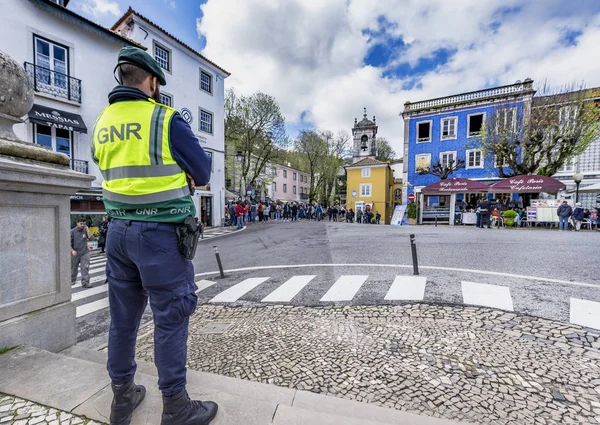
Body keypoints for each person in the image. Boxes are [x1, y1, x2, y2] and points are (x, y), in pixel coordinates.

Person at [93, 46, 217, 425]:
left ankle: (122, 398)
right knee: (171, 315)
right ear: (151, 81)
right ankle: (176, 407)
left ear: (121, 79)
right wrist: (185, 175)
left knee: (123, 320)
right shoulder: (164, 119)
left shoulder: (101, 123)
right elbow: (203, 170)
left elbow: (116, 170)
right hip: (160, 236)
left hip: (117, 233)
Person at [71, 217, 93, 288]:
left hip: (85, 252)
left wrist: (87, 230)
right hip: (75, 253)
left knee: (85, 268)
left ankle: (85, 283)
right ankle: (72, 280)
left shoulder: (85, 230)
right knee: (73, 268)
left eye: (84, 224)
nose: (83, 225)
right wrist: (72, 251)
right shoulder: (72, 231)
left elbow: (92, 238)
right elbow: (68, 243)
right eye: (81, 223)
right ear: (77, 223)